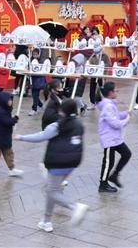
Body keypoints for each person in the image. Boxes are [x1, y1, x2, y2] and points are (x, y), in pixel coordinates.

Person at [14, 99, 88, 232]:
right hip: (73, 162)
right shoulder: (79, 124)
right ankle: (46, 221)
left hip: (58, 162)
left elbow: (40, 136)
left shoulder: (57, 126)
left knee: (51, 191)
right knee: (54, 189)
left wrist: (21, 137)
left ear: (62, 111)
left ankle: (75, 207)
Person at [97, 82, 131, 193]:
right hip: (109, 138)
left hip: (115, 138)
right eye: (116, 90)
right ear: (110, 93)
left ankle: (114, 175)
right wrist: (126, 120)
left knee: (126, 154)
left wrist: (126, 113)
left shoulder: (111, 104)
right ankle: (103, 184)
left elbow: (115, 116)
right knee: (108, 162)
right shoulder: (107, 106)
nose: (117, 92)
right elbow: (114, 123)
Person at [87, 45, 111, 110]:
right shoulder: (92, 56)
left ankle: (106, 103)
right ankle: (92, 103)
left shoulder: (105, 56)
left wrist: (102, 66)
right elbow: (89, 63)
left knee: (103, 89)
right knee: (92, 90)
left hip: (102, 75)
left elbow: (109, 64)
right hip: (94, 75)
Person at [29, 49, 47, 116]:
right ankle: (40, 105)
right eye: (34, 54)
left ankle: (34, 109)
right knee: (34, 95)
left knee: (35, 94)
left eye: (36, 54)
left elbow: (43, 71)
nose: (35, 56)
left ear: (39, 54)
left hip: (39, 80)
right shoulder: (30, 60)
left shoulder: (42, 61)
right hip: (32, 80)